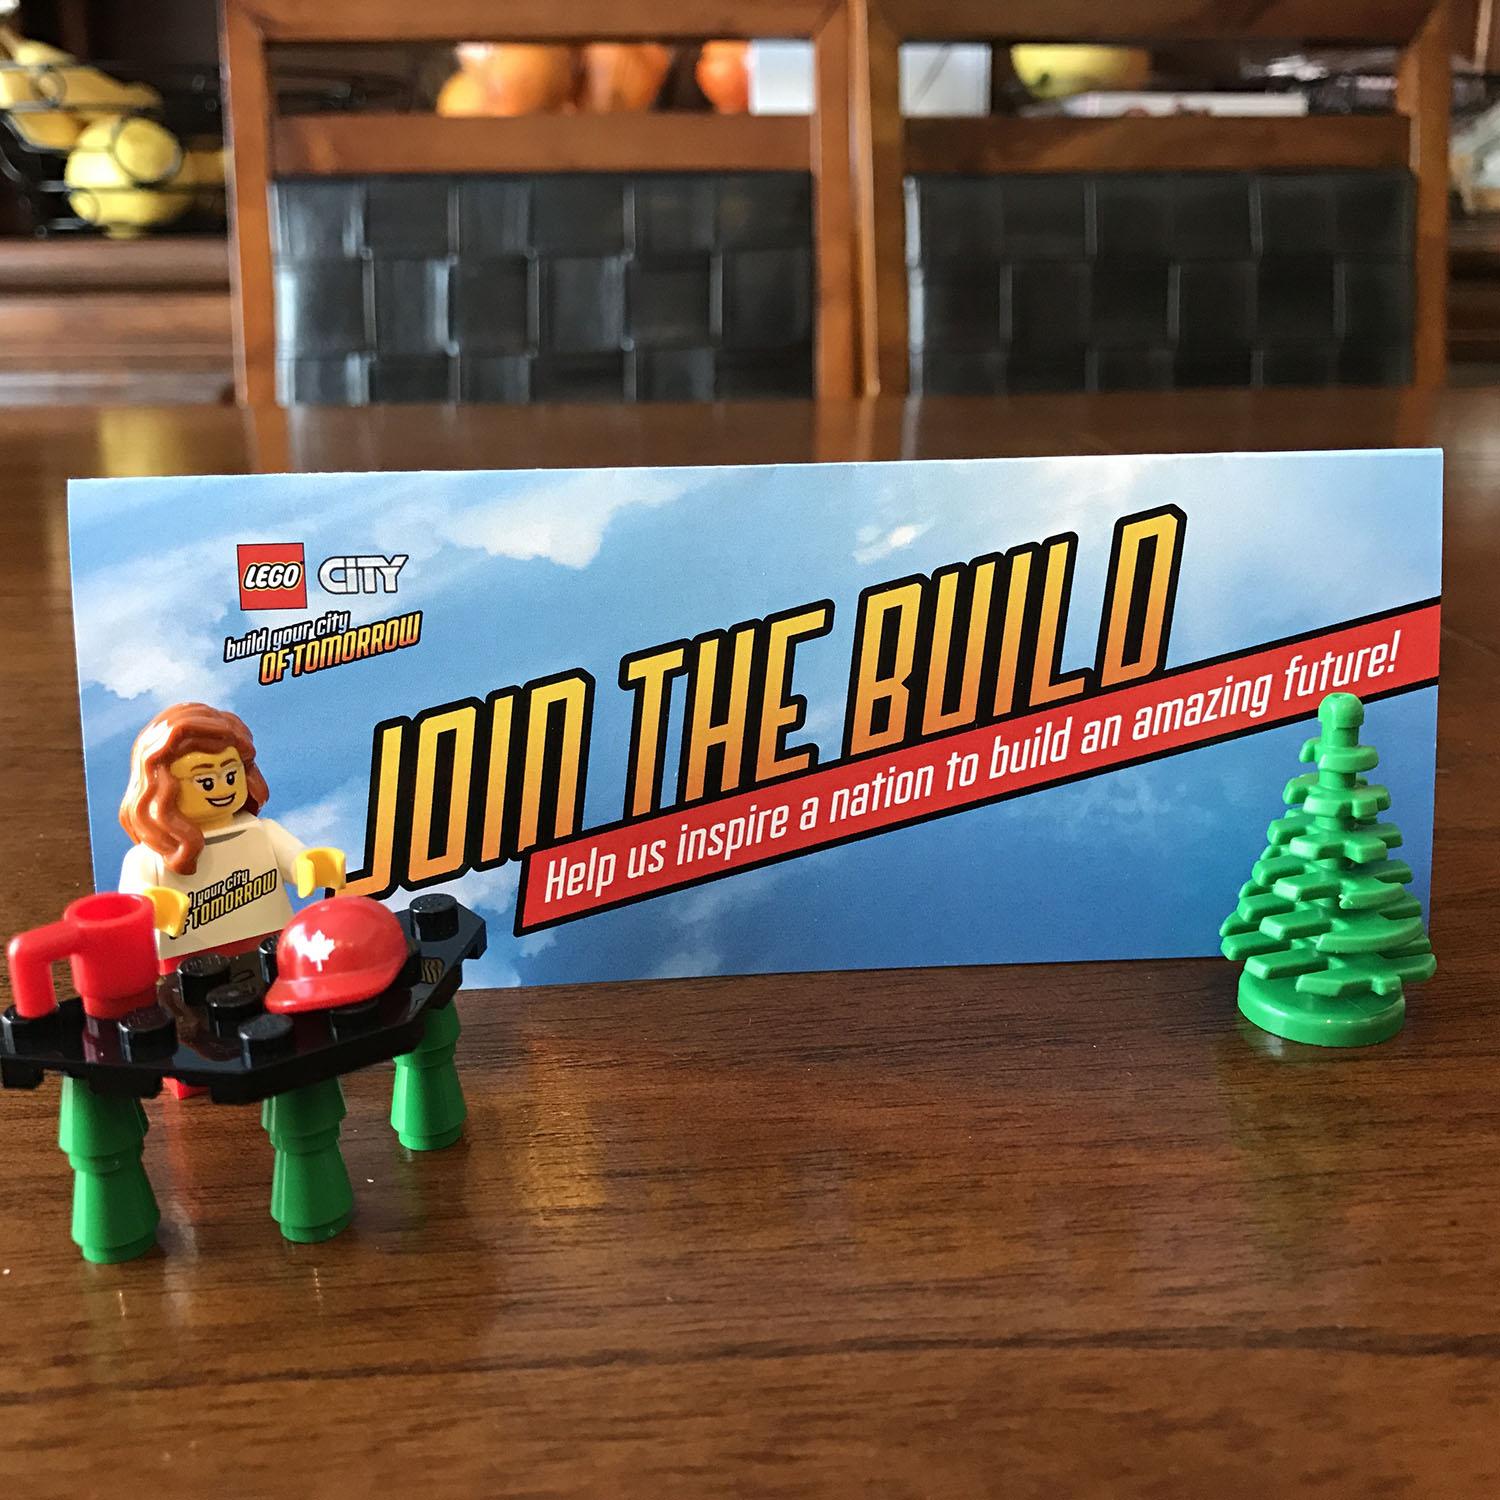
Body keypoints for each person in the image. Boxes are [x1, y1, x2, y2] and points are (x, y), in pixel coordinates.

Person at [119, 701, 346, 966]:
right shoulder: (150, 856)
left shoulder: (263, 832)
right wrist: (155, 905)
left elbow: (295, 860)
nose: (222, 789)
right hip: (190, 961)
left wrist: (310, 866)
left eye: (230, 775)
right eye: (205, 781)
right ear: (163, 787)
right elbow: (134, 902)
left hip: (270, 943)